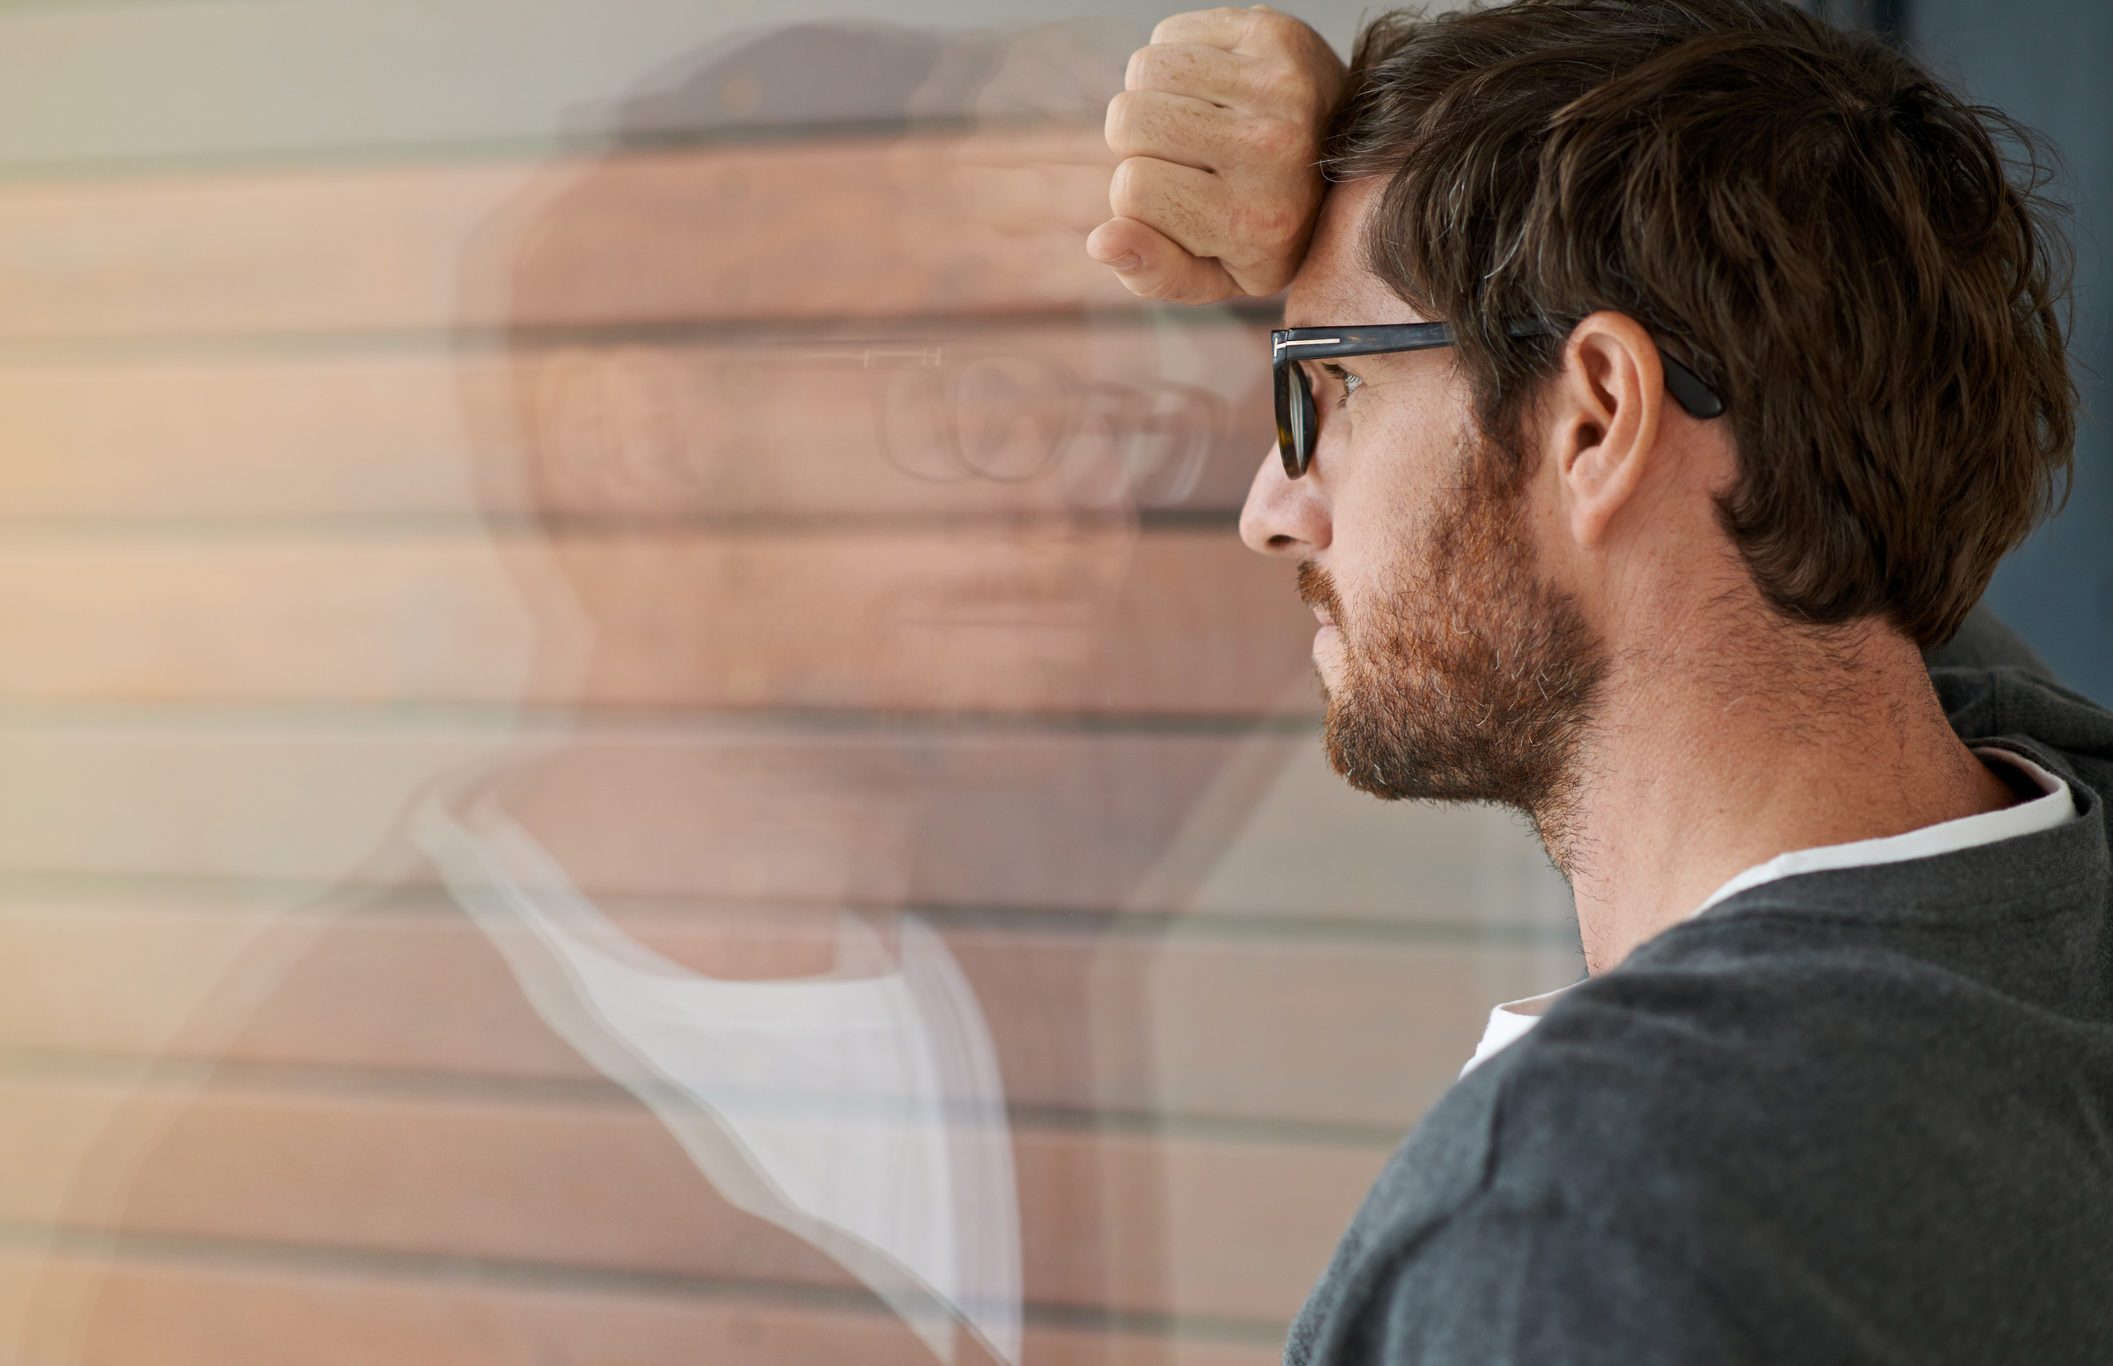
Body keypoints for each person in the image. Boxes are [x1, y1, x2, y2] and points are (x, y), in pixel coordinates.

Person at [1090, 1, 2113, 1362]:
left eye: (1323, 389)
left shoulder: (1575, 1218)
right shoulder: (2043, 879)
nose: (1272, 506)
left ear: (1594, 417)